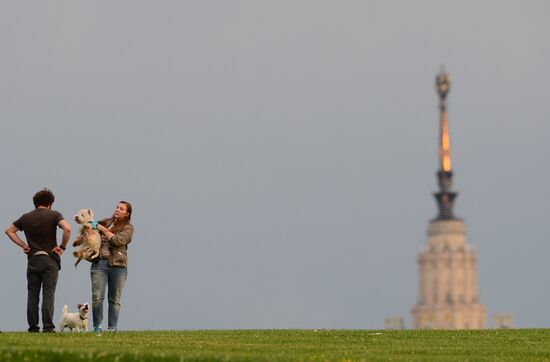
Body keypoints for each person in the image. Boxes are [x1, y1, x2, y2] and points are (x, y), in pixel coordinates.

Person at [5, 188, 71, 332]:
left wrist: (23, 245)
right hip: (49, 259)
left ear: (35, 203)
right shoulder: (54, 214)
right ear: (50, 203)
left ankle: (33, 327)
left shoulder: (26, 217)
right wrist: (62, 247)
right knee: (48, 294)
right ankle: (48, 327)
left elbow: (9, 230)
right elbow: (67, 229)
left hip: (33, 260)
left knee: (32, 295)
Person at [91, 201, 134, 333]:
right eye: (117, 207)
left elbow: (117, 241)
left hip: (118, 265)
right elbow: (89, 231)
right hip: (100, 263)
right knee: (97, 296)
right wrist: (91, 226)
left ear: (127, 214)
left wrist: (102, 229)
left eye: (121, 209)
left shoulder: (128, 228)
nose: (117, 210)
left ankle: (112, 328)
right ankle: (97, 327)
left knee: (114, 299)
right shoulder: (105, 222)